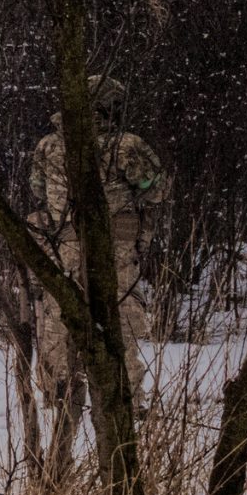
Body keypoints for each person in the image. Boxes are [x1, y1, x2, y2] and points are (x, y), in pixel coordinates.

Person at [27, 74, 169, 446]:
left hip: (63, 253)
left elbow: (38, 191)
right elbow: (156, 190)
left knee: (61, 329)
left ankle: (63, 400)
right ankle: (125, 408)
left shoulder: (48, 147)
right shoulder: (127, 146)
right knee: (119, 331)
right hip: (114, 254)